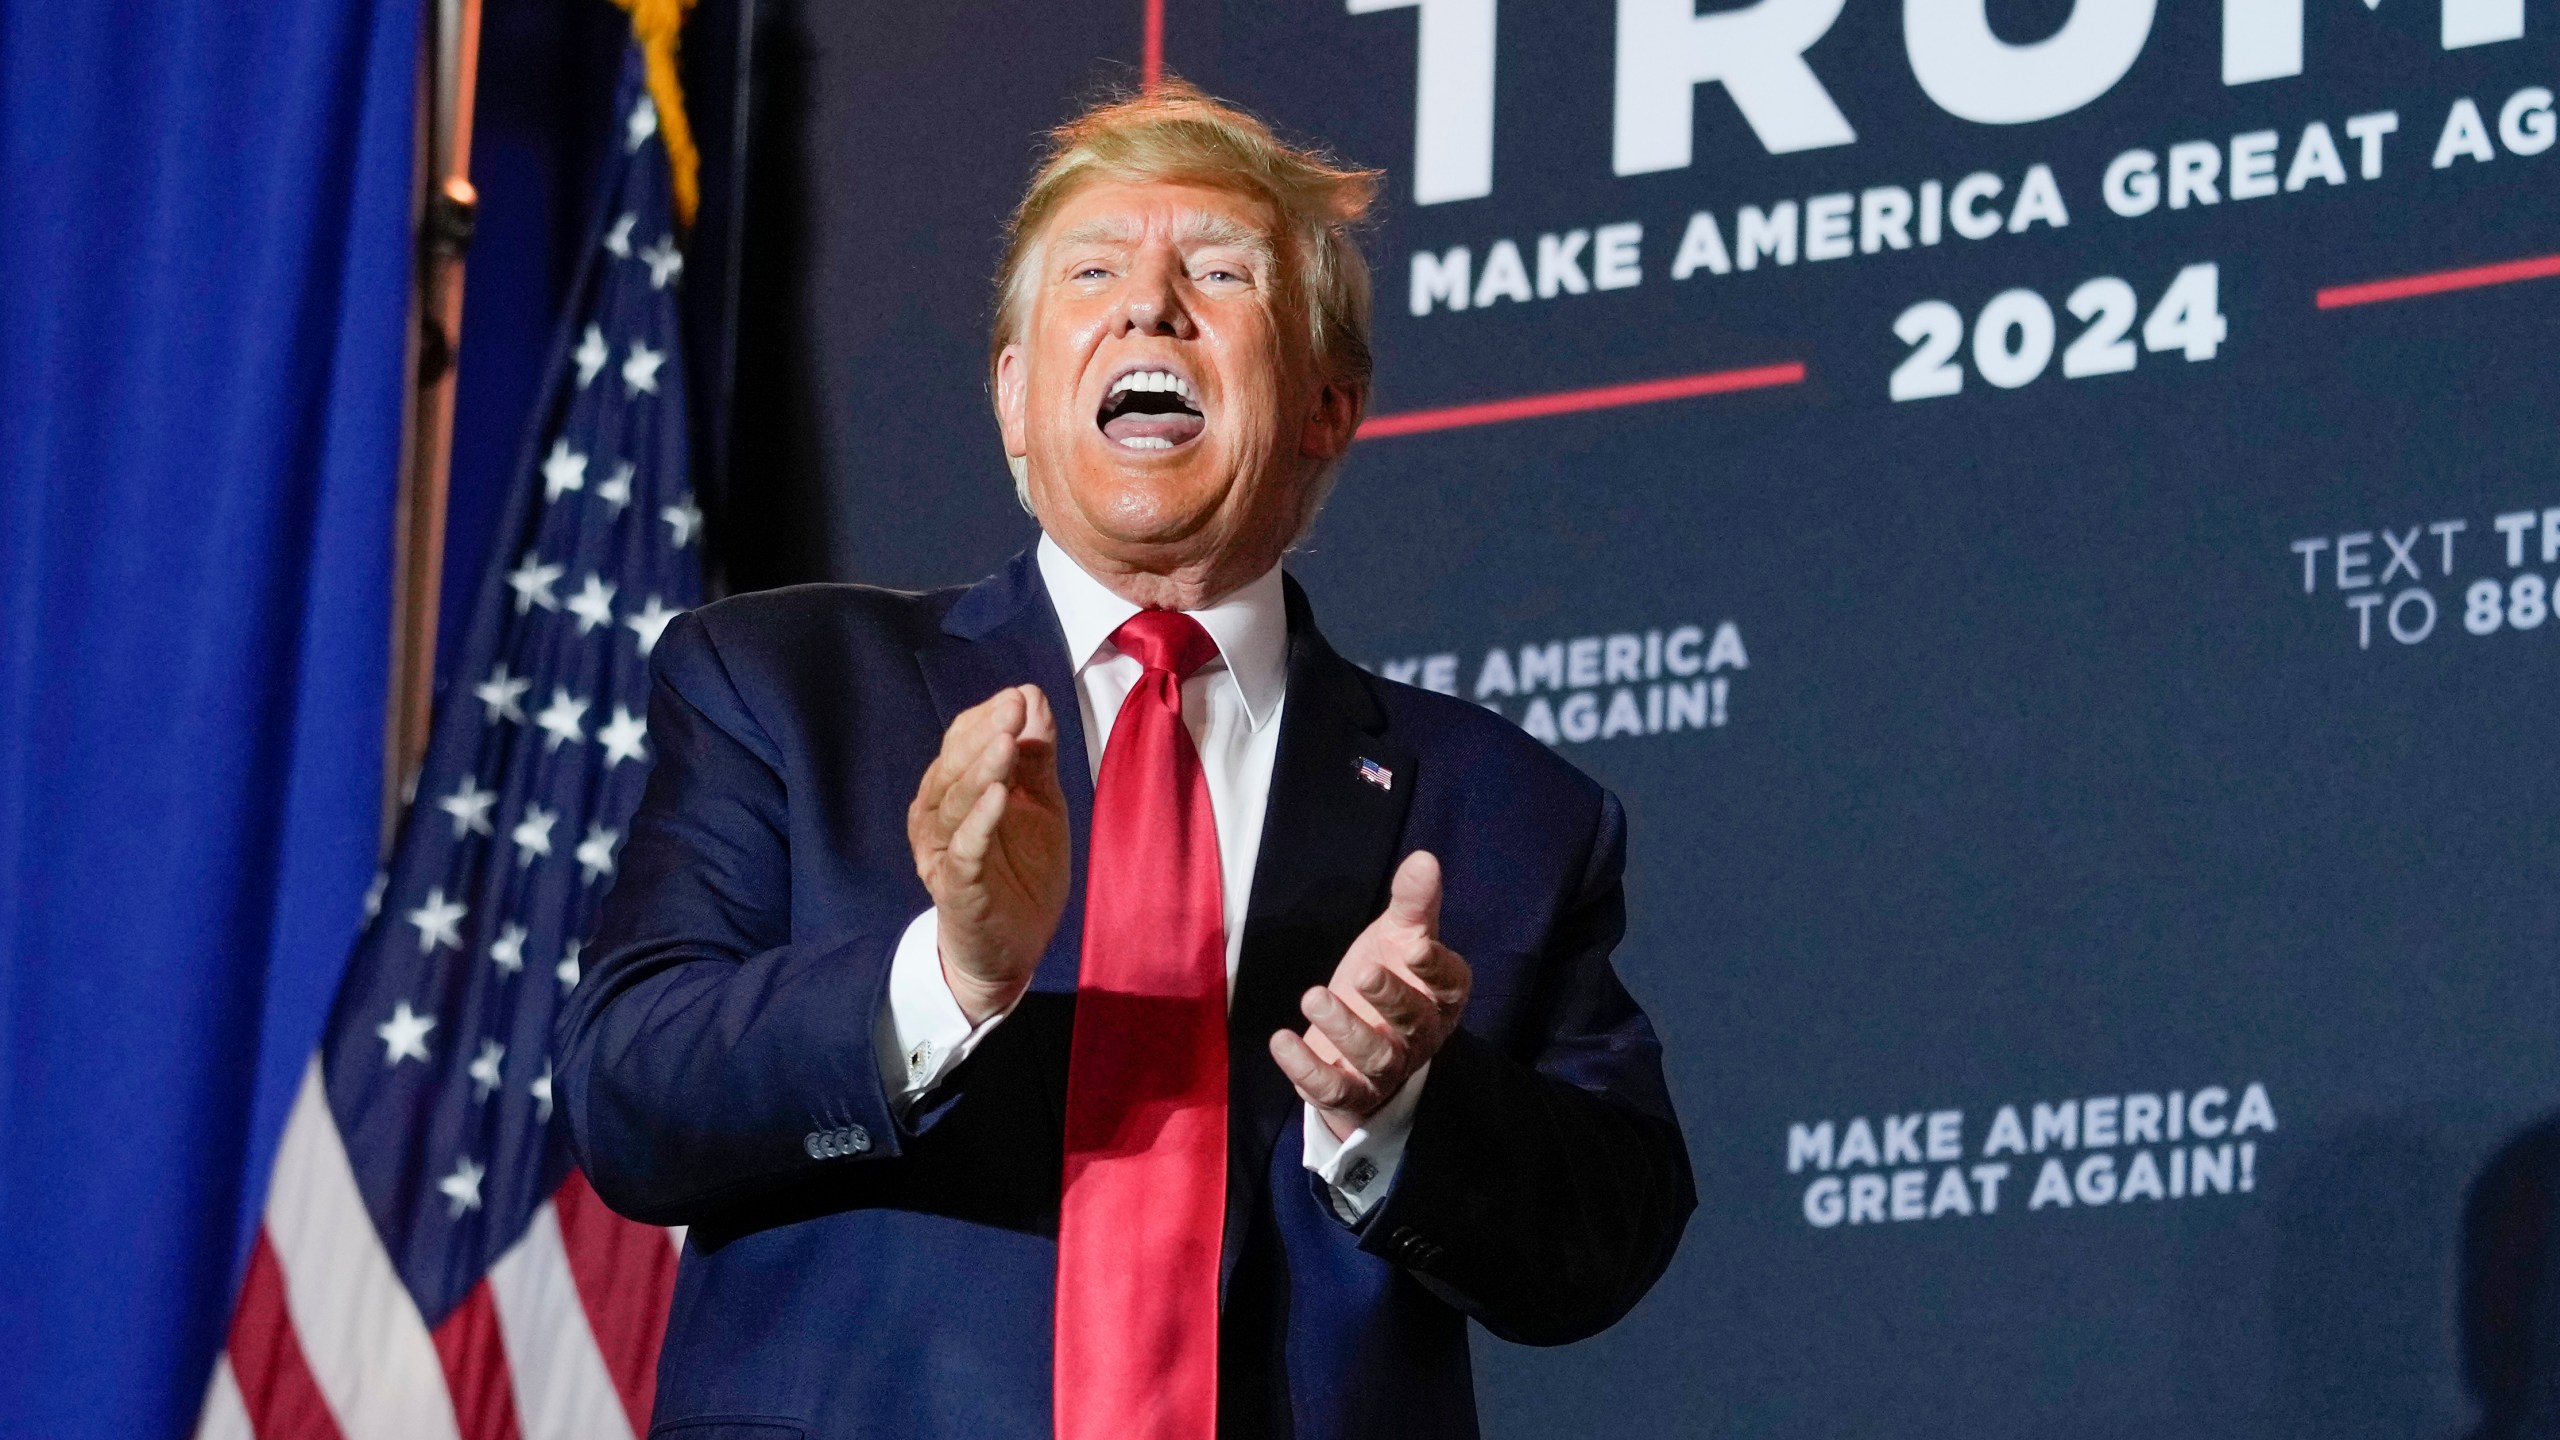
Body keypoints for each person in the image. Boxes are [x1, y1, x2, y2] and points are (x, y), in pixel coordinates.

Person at [557, 81, 1694, 1440]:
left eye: (1219, 273)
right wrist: (950, 972)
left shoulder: (1506, 810)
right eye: (1094, 272)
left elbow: (1604, 1243)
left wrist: (1400, 1110)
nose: (1150, 307)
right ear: (1016, 398)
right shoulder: (788, 690)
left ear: (1329, 406)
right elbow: (630, 1096)